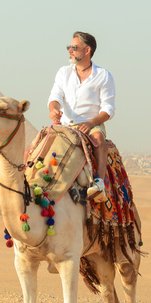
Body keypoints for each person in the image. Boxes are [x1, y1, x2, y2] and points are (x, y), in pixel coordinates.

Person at [48, 31, 114, 202]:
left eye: (74, 47)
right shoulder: (64, 72)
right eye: (69, 47)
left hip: (91, 124)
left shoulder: (103, 76)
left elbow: (108, 109)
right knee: (33, 148)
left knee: (98, 139)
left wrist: (91, 123)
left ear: (87, 50)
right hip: (65, 125)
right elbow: (55, 97)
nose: (70, 50)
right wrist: (54, 109)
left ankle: (99, 184)